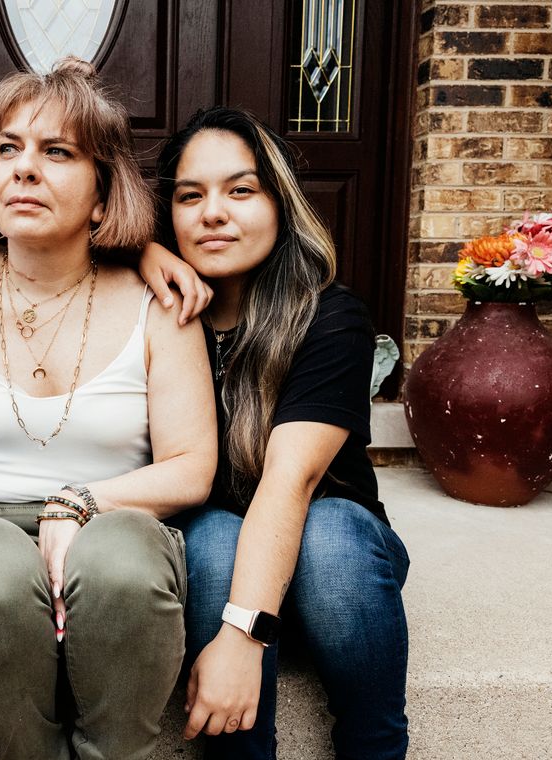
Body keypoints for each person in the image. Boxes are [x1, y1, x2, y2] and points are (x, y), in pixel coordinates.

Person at [0, 58, 218, 760]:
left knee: (120, 565)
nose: (23, 168)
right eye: (8, 150)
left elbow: (192, 467)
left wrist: (82, 500)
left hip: (117, 521)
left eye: (57, 152)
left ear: (104, 196)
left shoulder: (158, 308)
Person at [150, 106, 411, 758]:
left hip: (331, 576)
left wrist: (240, 638)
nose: (213, 213)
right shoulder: (152, 316)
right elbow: (69, 231)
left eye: (241, 190)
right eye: (190, 196)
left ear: (280, 203)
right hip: (215, 570)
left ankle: (373, 747)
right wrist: (140, 250)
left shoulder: (328, 317)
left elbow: (290, 481)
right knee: (210, 534)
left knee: (332, 536)